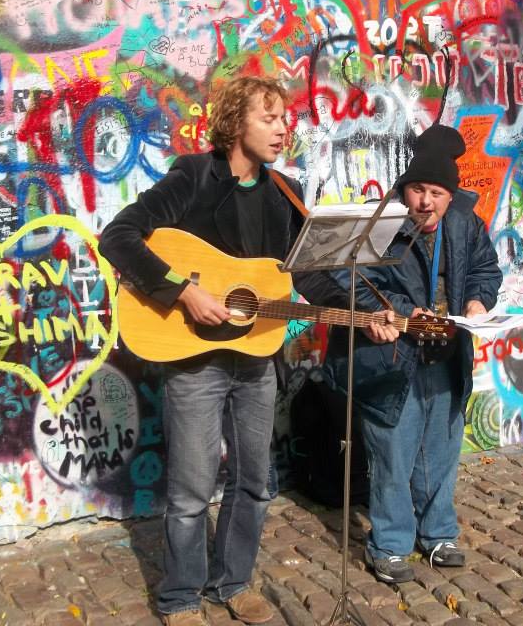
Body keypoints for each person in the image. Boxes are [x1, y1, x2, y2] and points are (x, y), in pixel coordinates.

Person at [98, 76, 396, 626]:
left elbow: (308, 277)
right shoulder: (194, 177)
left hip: (257, 356)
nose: (284, 129)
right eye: (270, 118)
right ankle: (180, 597)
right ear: (236, 123)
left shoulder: (285, 192)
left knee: (255, 481)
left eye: (285, 119)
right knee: (191, 490)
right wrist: (183, 291)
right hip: (195, 361)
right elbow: (118, 236)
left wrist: (362, 314)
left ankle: (231, 582)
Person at [326, 123, 502, 584]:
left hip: (447, 352)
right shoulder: (381, 222)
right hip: (393, 357)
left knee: (440, 451)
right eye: (417, 190)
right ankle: (390, 545)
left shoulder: (465, 224)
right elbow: (351, 280)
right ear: (405, 188)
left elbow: (485, 269)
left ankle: (439, 534)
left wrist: (478, 301)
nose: (425, 202)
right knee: (393, 455)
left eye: (436, 193)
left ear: (450, 196)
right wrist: (402, 312)